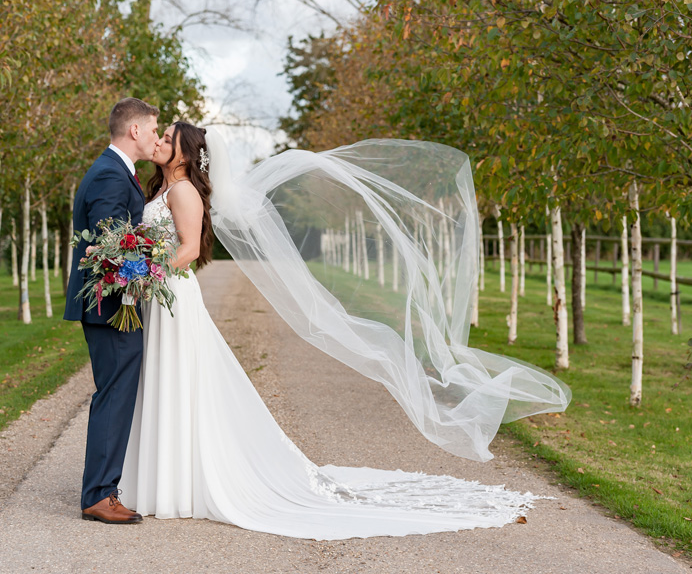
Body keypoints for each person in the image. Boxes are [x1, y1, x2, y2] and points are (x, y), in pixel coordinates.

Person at [117, 123, 571, 540]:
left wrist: (142, 272)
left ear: (185, 152)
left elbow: (190, 248)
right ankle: (162, 478)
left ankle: (178, 481)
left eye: (167, 136)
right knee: (164, 383)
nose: (158, 140)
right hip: (161, 295)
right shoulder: (166, 187)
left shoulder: (186, 194)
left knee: (178, 382)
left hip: (170, 293)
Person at [63, 97, 159, 525]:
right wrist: (147, 265)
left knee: (115, 393)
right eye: (153, 129)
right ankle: (100, 495)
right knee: (115, 394)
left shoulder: (115, 171)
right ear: (134, 130)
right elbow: (111, 246)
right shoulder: (109, 174)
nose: (156, 137)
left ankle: (102, 489)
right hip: (110, 305)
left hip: (112, 303)